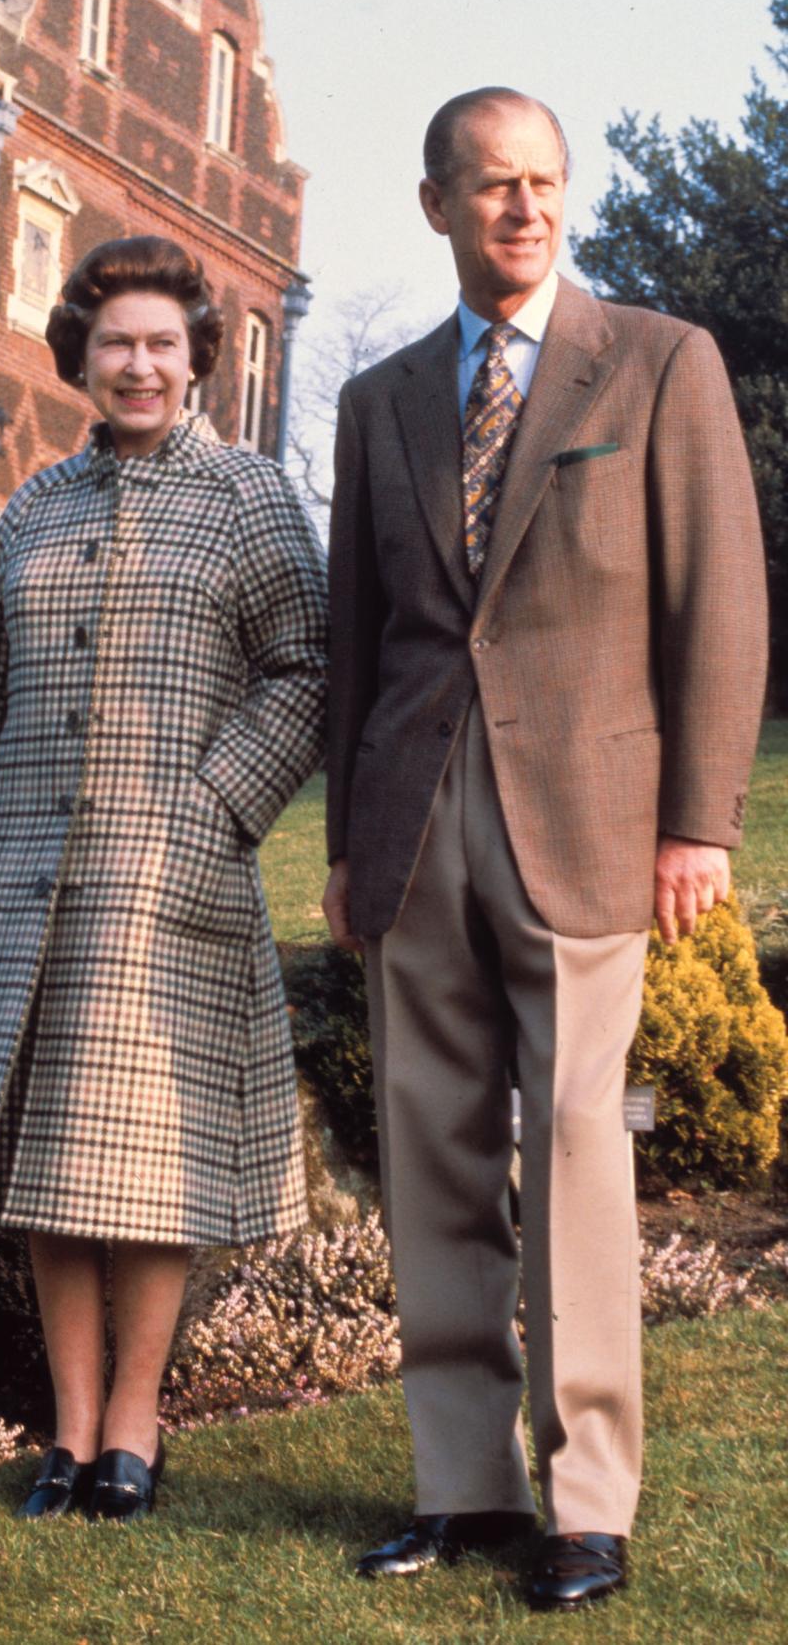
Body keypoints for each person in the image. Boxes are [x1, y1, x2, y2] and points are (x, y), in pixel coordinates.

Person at [323, 87, 767, 1610]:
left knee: (579, 1144)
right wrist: (349, 843)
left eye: (543, 181)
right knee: (432, 1153)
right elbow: (359, 640)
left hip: (588, 820)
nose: (522, 206)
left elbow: (720, 605)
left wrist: (698, 821)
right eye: (491, 184)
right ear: (435, 204)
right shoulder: (377, 400)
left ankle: (588, 1507)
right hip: (413, 823)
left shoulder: (657, 361)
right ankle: (465, 1487)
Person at [0, 235, 327, 1523]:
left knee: (143, 1160)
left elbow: (307, 666)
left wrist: (214, 806)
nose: (139, 365)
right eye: (116, 343)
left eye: (162, 345)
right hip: (23, 877)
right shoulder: (33, 506)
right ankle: (68, 1432)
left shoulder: (247, 497)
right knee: (48, 1163)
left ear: (197, 361)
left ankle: (135, 1426)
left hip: (169, 883)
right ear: (80, 357)